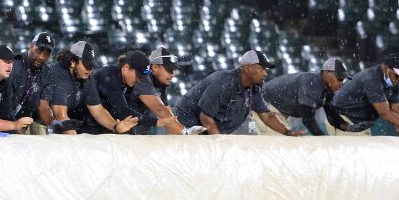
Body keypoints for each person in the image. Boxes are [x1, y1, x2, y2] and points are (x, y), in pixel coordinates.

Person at [174, 50, 304, 136]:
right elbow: (205, 116)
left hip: (206, 128)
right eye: (261, 69)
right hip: (186, 122)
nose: (265, 73)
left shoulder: (253, 88)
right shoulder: (223, 82)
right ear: (247, 68)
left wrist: (287, 132)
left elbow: (267, 116)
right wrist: (217, 142)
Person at [325, 53, 399, 139]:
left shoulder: (395, 83)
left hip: (358, 123)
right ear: (387, 68)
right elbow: (384, 113)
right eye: (397, 75)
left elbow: (396, 113)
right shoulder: (371, 79)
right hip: (342, 120)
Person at [80, 51, 176, 134]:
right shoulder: (108, 75)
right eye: (137, 76)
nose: (139, 80)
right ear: (126, 67)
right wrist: (154, 122)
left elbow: (122, 112)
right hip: (82, 125)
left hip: (98, 125)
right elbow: (122, 111)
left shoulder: (126, 82)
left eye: (141, 77)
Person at [256, 57, 348, 136]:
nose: (341, 83)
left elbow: (332, 116)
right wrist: (323, 139)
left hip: (280, 109)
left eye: (343, 79)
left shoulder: (328, 90)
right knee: (276, 146)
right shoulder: (311, 82)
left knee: (284, 145)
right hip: (266, 105)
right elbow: (308, 119)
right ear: (327, 72)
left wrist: (349, 127)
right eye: (339, 78)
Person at [129, 47, 205, 135]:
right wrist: (185, 133)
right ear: (155, 67)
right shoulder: (141, 77)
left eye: (174, 70)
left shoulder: (160, 83)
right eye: (169, 70)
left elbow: (168, 116)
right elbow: (160, 109)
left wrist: (179, 133)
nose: (173, 74)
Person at [41, 41, 102, 134]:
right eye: (87, 65)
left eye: (91, 65)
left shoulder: (86, 76)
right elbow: (60, 116)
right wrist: (76, 143)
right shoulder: (57, 74)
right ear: (72, 62)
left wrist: (116, 126)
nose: (90, 69)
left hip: (55, 124)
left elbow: (98, 111)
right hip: (35, 121)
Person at [6, 32, 54, 134]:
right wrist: (13, 126)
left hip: (26, 121)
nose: (41, 57)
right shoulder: (14, 65)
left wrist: (55, 123)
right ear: (31, 46)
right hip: (3, 118)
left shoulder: (46, 72)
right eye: (39, 51)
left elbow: (43, 106)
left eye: (46, 54)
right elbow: (4, 102)